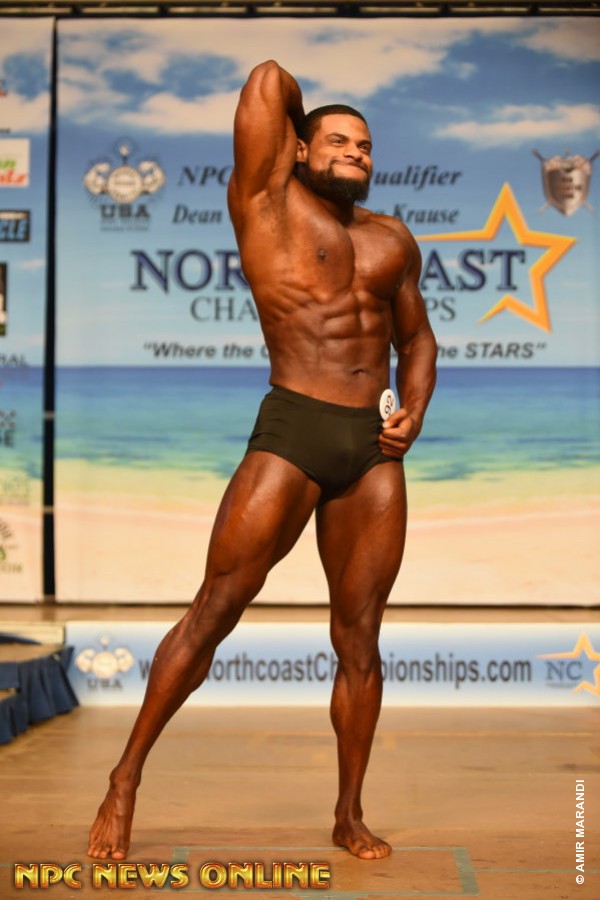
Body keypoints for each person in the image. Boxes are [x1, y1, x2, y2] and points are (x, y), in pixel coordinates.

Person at [87, 60, 437, 862]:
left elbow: (417, 339)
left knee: (360, 639)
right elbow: (268, 80)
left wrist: (414, 411)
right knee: (216, 608)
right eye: (338, 141)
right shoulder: (265, 201)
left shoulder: (392, 239)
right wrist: (300, 129)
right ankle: (125, 777)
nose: (356, 154)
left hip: (372, 451)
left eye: (365, 146)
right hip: (293, 430)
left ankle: (349, 813)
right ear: (301, 148)